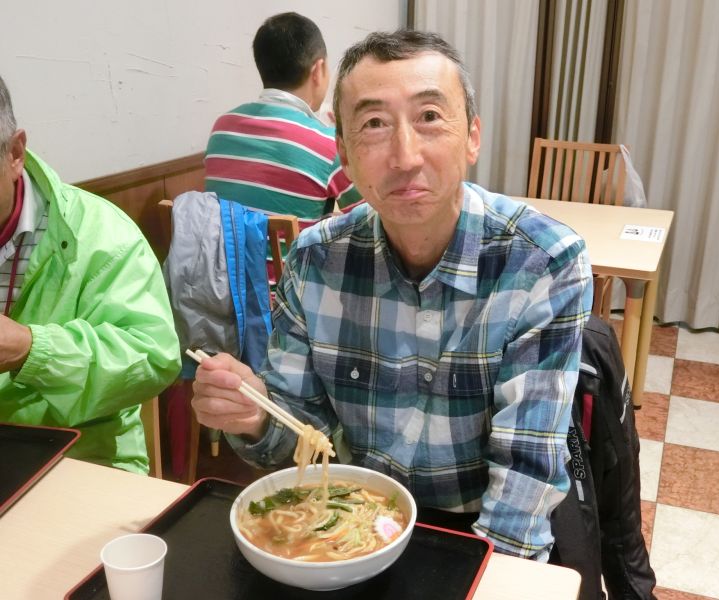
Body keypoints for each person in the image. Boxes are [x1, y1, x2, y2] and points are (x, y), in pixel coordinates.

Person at [192, 30, 593, 560]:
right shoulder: (314, 259)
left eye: (429, 116)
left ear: (472, 137)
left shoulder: (541, 262)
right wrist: (256, 415)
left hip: (476, 531)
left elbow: (524, 481)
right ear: (344, 154)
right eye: (375, 124)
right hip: (351, 521)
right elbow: (299, 431)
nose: (405, 157)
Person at [0, 75, 181, 475]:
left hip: (79, 457)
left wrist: (31, 348)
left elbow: (153, 358)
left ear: (15, 152)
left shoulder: (102, 235)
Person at [204, 11, 363, 282]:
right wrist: (350, 140)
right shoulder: (327, 143)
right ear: (318, 70)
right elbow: (367, 219)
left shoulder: (221, 128)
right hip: (290, 297)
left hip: (221, 289)